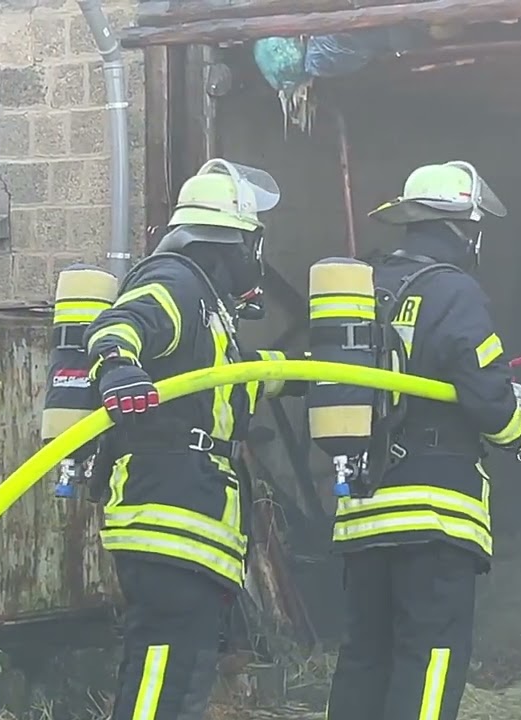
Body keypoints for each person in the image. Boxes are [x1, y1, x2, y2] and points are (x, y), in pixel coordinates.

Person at [325, 160, 521, 720]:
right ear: (464, 227)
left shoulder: (367, 286)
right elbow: (487, 399)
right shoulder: (455, 290)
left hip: (362, 510)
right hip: (434, 513)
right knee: (428, 660)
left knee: (364, 660)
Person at [84, 159, 299, 720]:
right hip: (168, 510)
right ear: (228, 244)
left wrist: (303, 372)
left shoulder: (208, 309)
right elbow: (121, 325)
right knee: (163, 664)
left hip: (192, 519)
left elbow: (227, 383)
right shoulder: (176, 283)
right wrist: (116, 364)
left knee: (182, 674)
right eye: (250, 246)